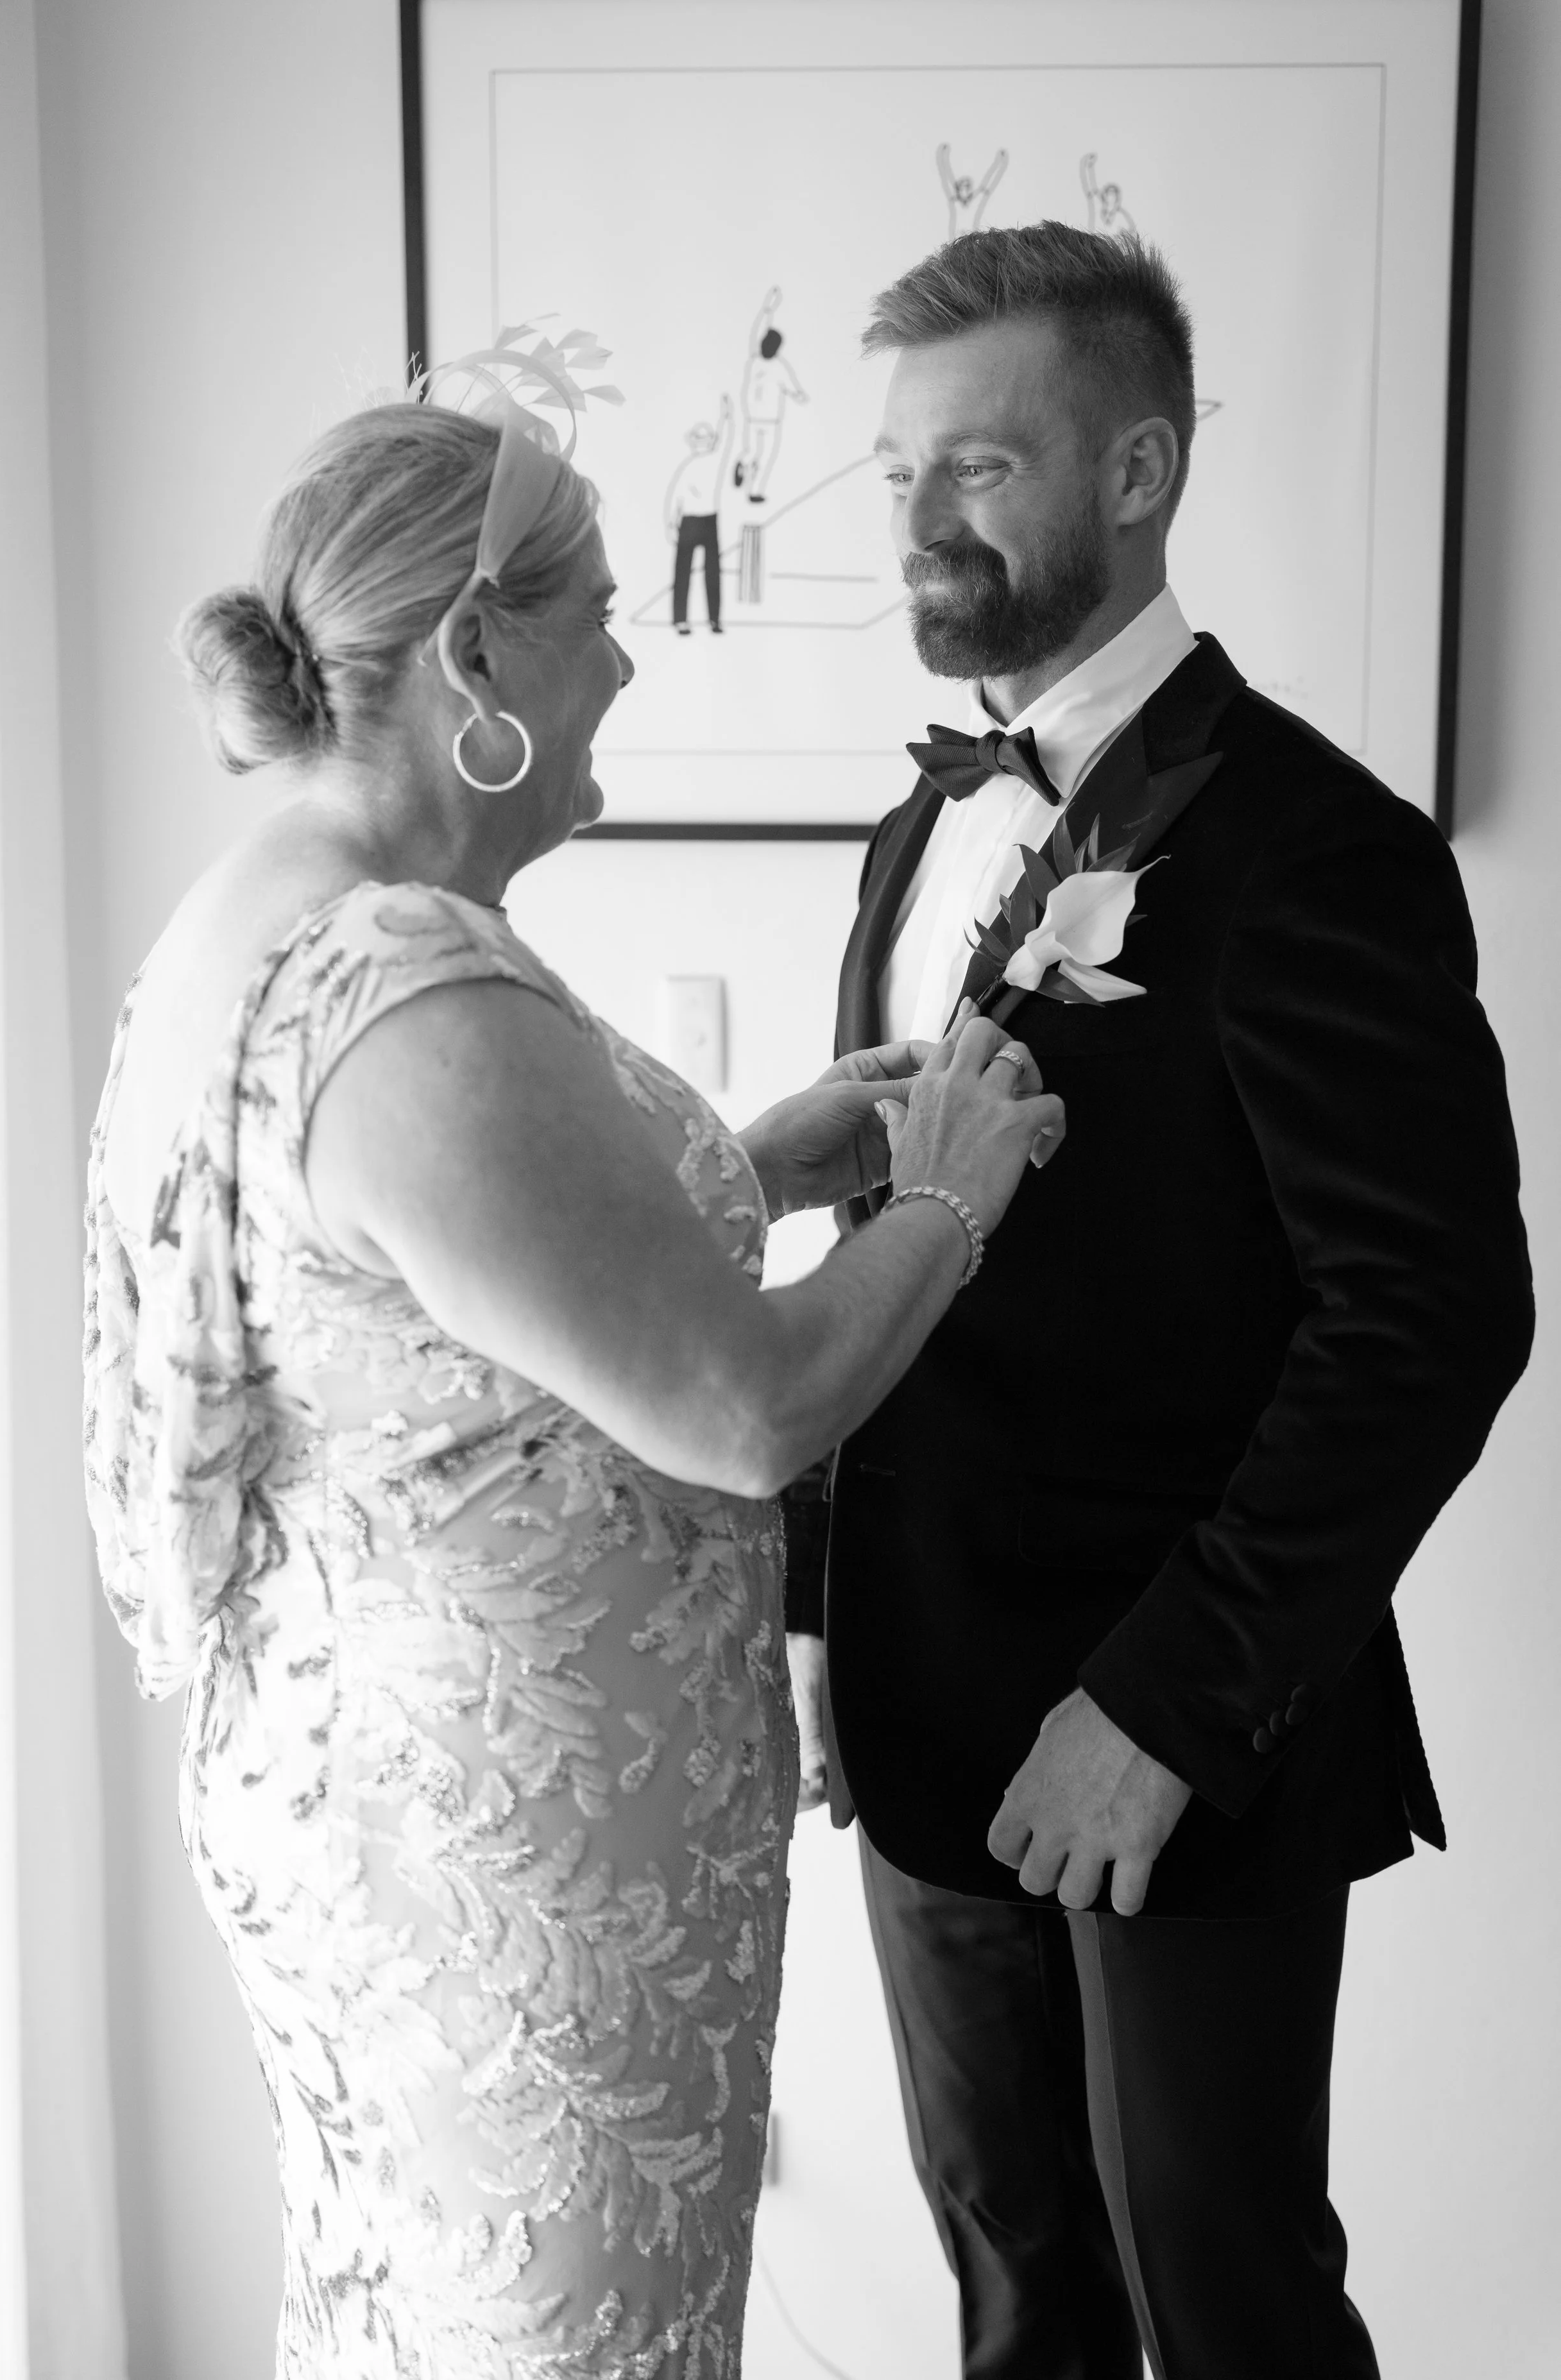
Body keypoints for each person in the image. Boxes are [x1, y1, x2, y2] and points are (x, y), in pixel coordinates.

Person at [81, 374, 1064, 2379]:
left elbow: (470, 1291)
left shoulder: (297, 917)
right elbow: (746, 1405)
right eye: (596, 612)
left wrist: (761, 1155)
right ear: (474, 656)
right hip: (497, 1878)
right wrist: (948, 1197)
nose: (625, 657)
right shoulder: (410, 996)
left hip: (392, 1797)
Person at [783, 221, 1533, 2380]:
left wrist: (1166, 1707)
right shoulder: (910, 835)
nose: (923, 518)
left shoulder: (1320, 848)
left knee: (1221, 2306)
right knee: (1015, 2289)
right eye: (901, 467)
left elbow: (1431, 1318)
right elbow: (887, 1259)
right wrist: (830, 1604)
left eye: (982, 465)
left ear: (1133, 475)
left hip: (1176, 1732)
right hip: (920, 1714)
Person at [735, 285, 809, 505]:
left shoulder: (754, 360)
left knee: (752, 451)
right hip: (770, 420)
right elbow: (795, 390)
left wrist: (769, 306)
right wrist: (800, 396)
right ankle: (754, 491)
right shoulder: (779, 367)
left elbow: (758, 327)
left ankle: (743, 462)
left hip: (752, 417)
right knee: (765, 457)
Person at [665, 392, 731, 634]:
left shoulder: (711, 462)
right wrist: (671, 525)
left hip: (704, 520)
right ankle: (687, 619)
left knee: (707, 573)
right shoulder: (691, 466)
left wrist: (726, 416)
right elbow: (675, 500)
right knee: (689, 572)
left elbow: (674, 500)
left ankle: (709, 619)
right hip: (694, 521)